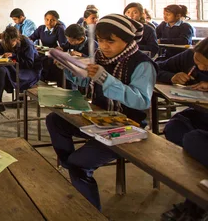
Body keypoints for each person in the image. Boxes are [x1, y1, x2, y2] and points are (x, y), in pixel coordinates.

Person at [45, 14, 156, 210]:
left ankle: (90, 210)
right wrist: (68, 68)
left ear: (127, 40)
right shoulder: (101, 57)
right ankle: (69, 165)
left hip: (128, 126)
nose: (104, 46)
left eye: (110, 41)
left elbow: (141, 101)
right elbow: (86, 82)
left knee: (79, 165)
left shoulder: (141, 64)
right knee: (55, 120)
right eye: (101, 40)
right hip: (99, 118)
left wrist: (106, 78)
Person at [157, 38, 208, 221]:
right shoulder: (189, 56)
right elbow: (156, 67)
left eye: (205, 65)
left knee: (194, 140)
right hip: (198, 116)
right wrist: (171, 76)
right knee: (174, 128)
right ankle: (196, 202)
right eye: (197, 62)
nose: (199, 68)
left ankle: (193, 205)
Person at [0, 26, 42, 117]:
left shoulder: (27, 44)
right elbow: (0, 47)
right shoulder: (6, 41)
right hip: (15, 67)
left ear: (17, 39)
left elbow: (29, 63)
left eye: (11, 44)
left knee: (2, 69)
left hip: (29, 72)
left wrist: (14, 56)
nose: (8, 46)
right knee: (0, 69)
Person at [29, 10, 67, 85]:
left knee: (46, 63)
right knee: (33, 60)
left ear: (56, 21)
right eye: (47, 19)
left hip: (54, 55)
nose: (49, 22)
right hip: (43, 53)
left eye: (52, 20)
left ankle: (45, 82)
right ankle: (36, 82)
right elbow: (31, 38)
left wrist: (58, 48)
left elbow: (63, 45)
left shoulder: (59, 29)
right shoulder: (41, 28)